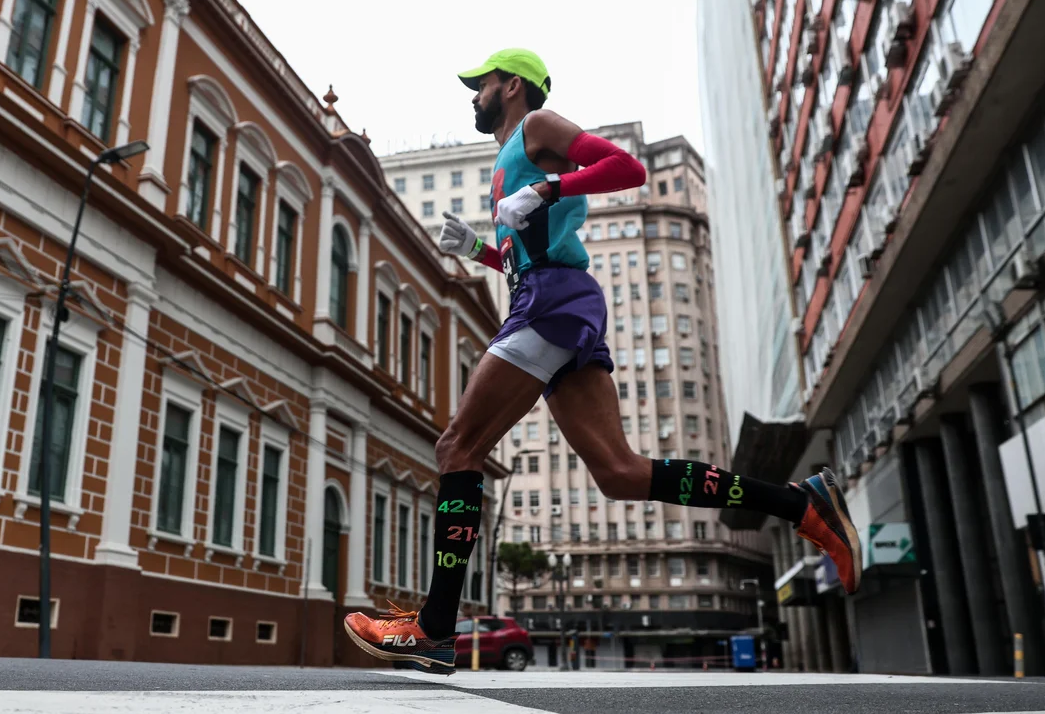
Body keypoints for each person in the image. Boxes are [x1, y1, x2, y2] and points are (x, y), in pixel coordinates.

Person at [344, 48, 861, 676]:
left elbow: (628, 168)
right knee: (618, 472)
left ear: (511, 86)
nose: (472, 96)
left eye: (479, 86)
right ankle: (800, 504)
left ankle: (433, 628)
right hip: (554, 298)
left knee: (458, 448)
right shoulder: (505, 160)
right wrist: (481, 249)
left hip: (554, 302)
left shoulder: (538, 129)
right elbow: (531, 254)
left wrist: (550, 185)